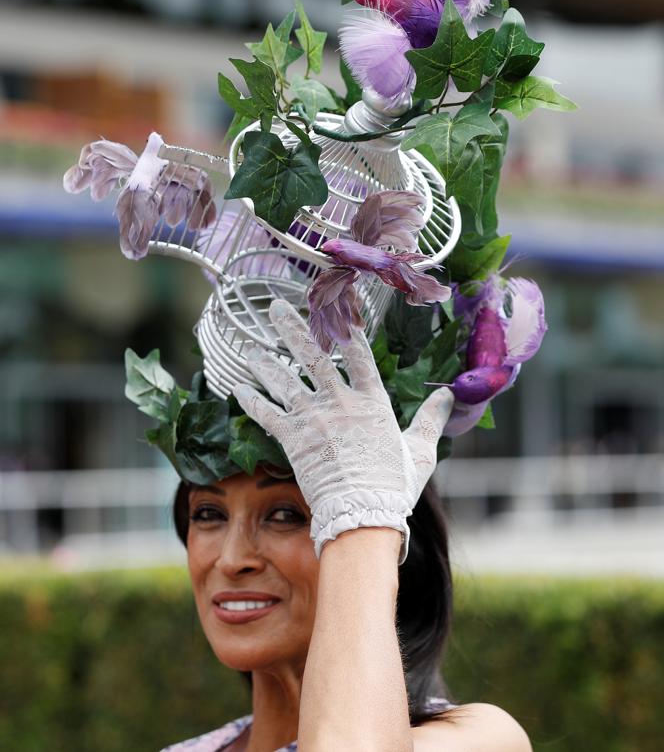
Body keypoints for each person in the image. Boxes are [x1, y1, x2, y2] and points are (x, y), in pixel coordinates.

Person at [160, 300, 532, 752]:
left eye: (285, 515)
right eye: (208, 515)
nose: (233, 559)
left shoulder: (477, 740)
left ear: (394, 545)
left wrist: (361, 517)